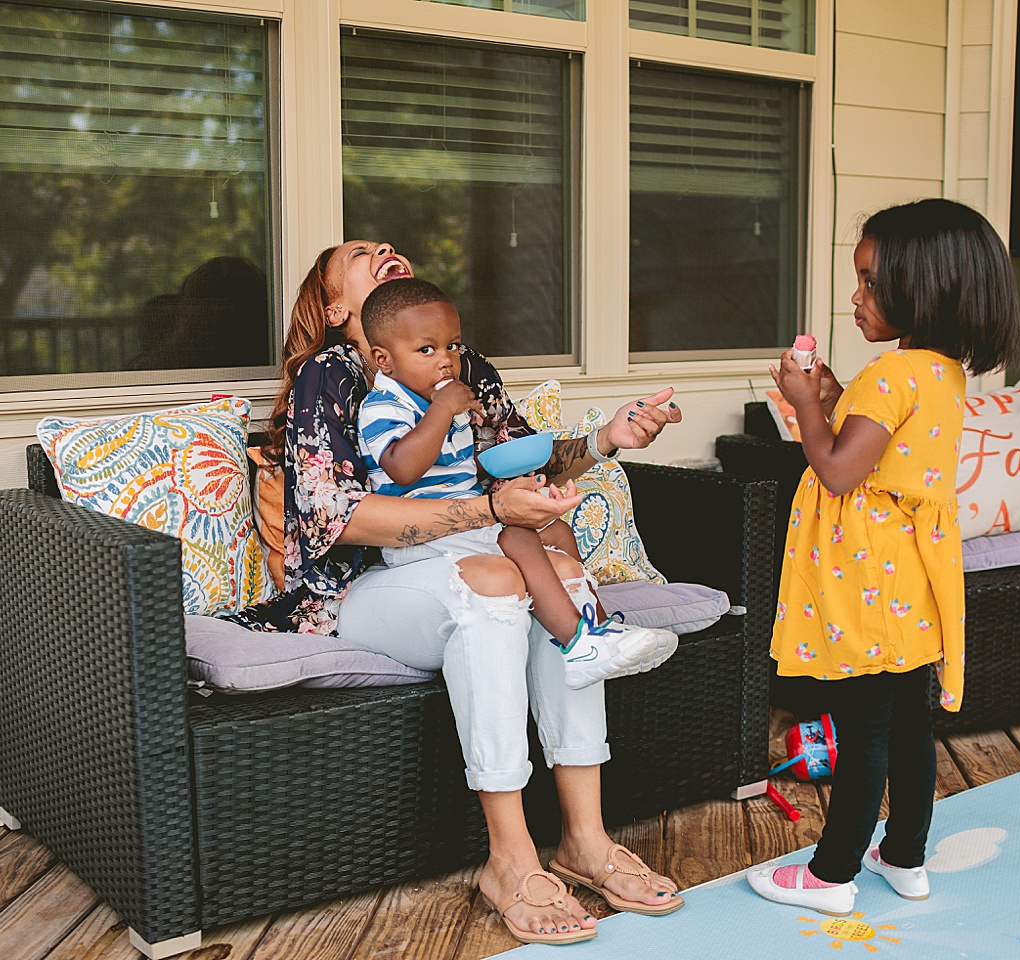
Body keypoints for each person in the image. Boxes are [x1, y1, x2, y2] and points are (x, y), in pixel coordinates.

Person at [231, 240, 686, 944]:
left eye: (387, 244)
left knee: (561, 577)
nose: (384, 247)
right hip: (366, 589)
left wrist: (605, 438)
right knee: (494, 581)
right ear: (339, 310)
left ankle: (586, 842)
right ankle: (509, 859)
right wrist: (489, 514)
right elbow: (336, 517)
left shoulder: (464, 368)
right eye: (359, 253)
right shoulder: (334, 375)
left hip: (465, 551)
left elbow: (524, 458)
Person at [747, 199, 1020, 915]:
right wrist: (835, 395)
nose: (856, 297)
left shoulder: (891, 376)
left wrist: (806, 405)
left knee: (861, 731)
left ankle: (832, 873)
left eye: (870, 281)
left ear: (924, 286)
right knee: (908, 723)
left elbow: (840, 469)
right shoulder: (939, 373)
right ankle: (904, 857)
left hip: (864, 578)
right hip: (910, 578)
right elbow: (884, 452)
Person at [354, 276, 677, 689]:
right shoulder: (384, 405)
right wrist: (442, 410)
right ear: (383, 359)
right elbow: (402, 468)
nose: (446, 360)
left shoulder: (445, 400)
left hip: (466, 527)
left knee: (557, 531)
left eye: (452, 345)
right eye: (426, 349)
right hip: (422, 541)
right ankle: (576, 643)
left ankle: (599, 626)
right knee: (519, 536)